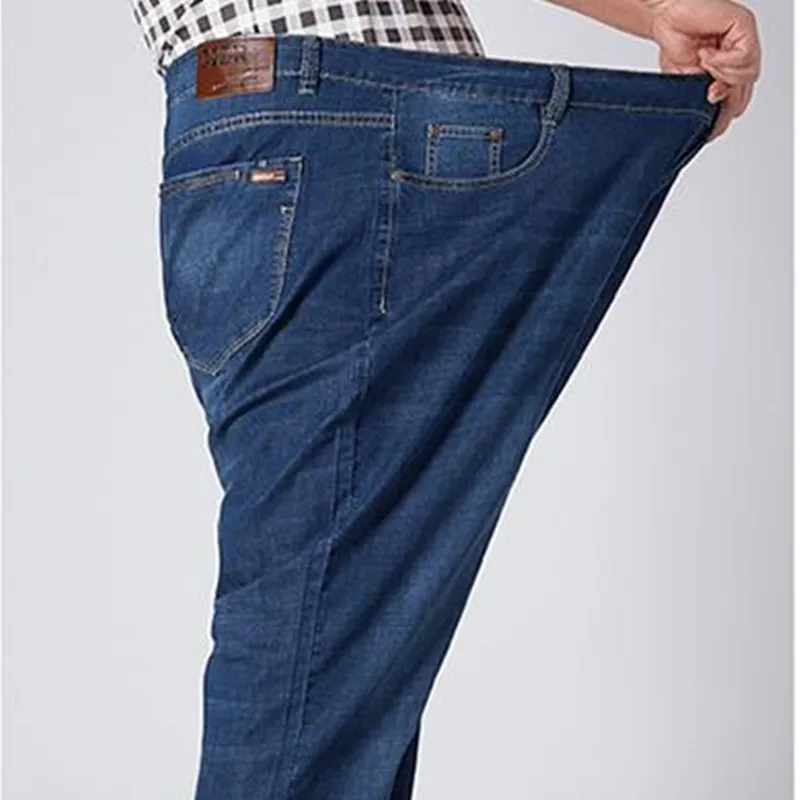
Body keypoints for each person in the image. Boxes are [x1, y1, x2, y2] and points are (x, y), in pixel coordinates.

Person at [132, 1, 761, 798]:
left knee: (335, 660)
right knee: (315, 663)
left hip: (241, 139)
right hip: (344, 139)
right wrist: (657, 9)